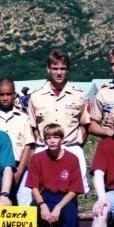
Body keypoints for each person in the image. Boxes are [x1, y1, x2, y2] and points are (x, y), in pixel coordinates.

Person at [26, 123, 84, 227]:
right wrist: (42, 205)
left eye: (56, 137)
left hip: (65, 198)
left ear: (62, 139)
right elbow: (34, 187)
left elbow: (74, 189)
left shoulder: (72, 159)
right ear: (44, 140)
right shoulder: (37, 158)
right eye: (48, 138)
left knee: (71, 218)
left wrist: (58, 207)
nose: (52, 141)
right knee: (30, 218)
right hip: (43, 197)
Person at [27, 50, 90, 192]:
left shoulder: (78, 95)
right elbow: (33, 126)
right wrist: (42, 144)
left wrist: (77, 144)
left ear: (68, 69)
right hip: (45, 149)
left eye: (63, 68)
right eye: (55, 68)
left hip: (71, 147)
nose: (59, 73)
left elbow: (85, 125)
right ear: (48, 69)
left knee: (73, 192)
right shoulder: (36, 96)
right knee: (41, 190)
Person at [0, 77, 34, 205]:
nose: (5, 98)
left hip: (19, 166)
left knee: (24, 203)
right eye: (1, 94)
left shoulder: (23, 119)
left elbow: (28, 146)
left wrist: (19, 171)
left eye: (8, 94)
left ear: (14, 95)